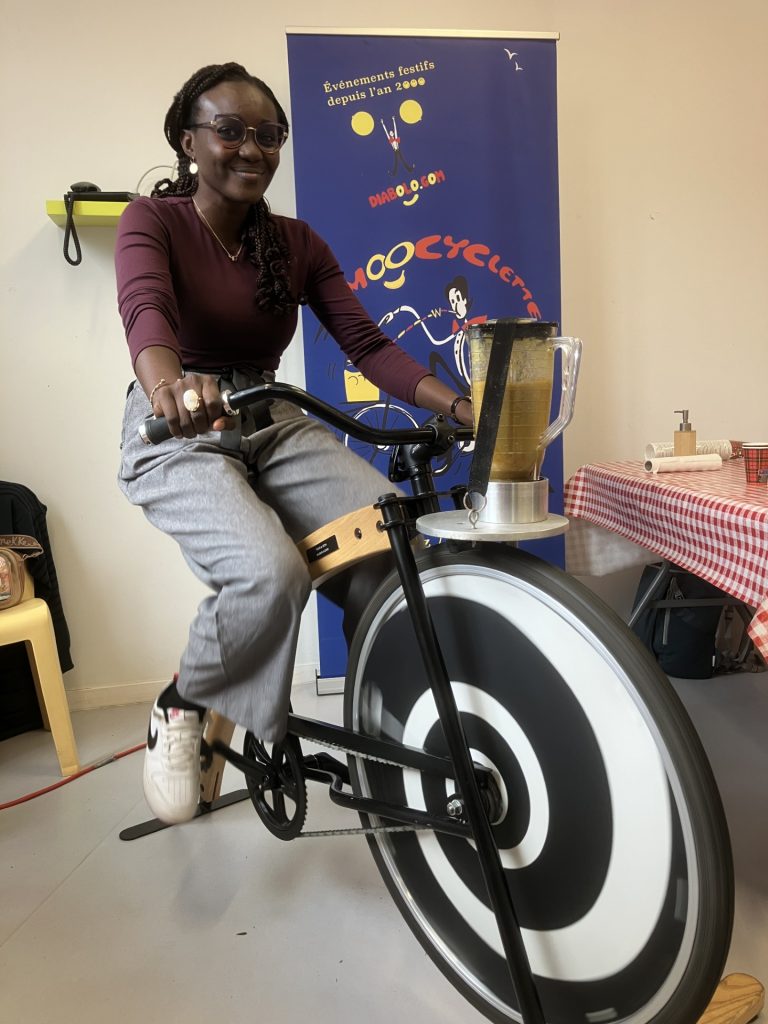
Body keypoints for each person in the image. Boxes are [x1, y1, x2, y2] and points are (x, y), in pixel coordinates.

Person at [116, 62, 472, 826]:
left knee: (390, 543)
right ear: (188, 140)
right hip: (178, 423)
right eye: (230, 131)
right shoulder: (153, 221)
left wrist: (459, 404)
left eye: (269, 134)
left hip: (269, 415)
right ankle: (184, 701)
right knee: (269, 573)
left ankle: (381, 722)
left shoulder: (296, 242)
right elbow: (146, 312)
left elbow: (366, 343)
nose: (252, 148)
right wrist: (170, 388)